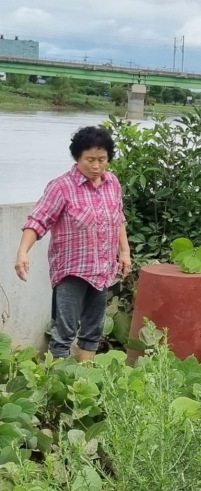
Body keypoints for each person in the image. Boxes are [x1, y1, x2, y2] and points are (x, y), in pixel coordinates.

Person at [14, 126, 130, 362]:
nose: (96, 166)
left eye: (102, 159)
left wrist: (125, 252)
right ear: (77, 157)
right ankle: (57, 382)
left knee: (93, 329)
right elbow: (37, 221)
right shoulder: (61, 187)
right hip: (71, 271)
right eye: (90, 160)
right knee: (63, 331)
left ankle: (83, 378)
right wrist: (23, 252)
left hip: (102, 271)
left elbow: (118, 218)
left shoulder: (112, 183)